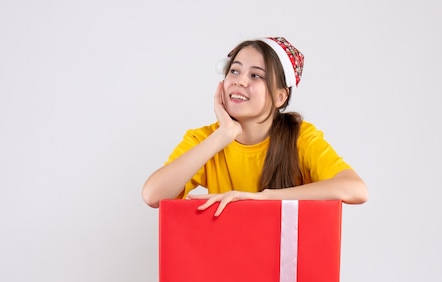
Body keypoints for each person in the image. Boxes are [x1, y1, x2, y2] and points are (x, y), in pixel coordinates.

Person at [142, 36, 368, 216]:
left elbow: (356, 189)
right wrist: (224, 135)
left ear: (280, 96)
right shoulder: (205, 139)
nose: (240, 81)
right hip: (228, 260)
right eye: (234, 71)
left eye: (256, 75)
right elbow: (153, 195)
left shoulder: (300, 137)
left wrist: (264, 198)